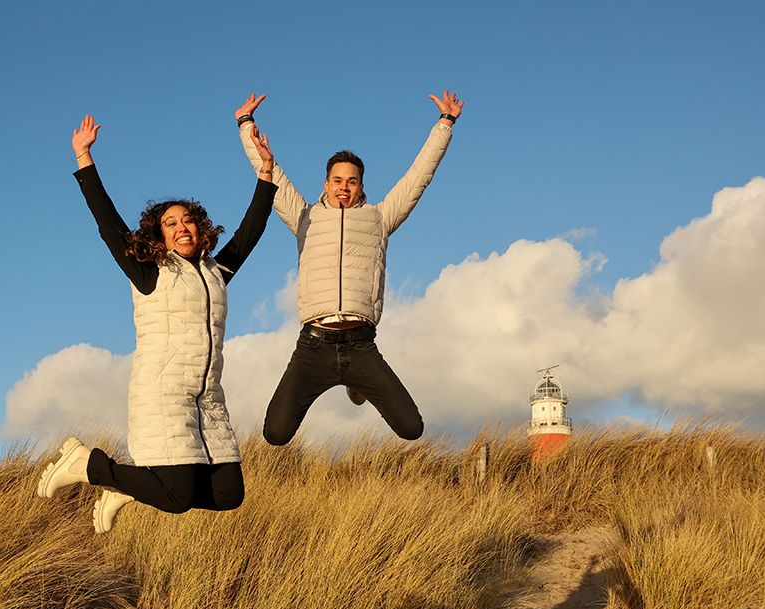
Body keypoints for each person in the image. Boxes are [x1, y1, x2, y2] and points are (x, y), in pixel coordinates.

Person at [37, 114, 277, 534]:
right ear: (159, 236)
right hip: (162, 393)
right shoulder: (149, 272)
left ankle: (128, 487)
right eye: (171, 223)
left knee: (229, 494)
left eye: (188, 221)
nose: (182, 227)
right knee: (177, 495)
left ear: (200, 230)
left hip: (208, 399)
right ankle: (87, 464)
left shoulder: (216, 271)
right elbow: (108, 224)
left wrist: (266, 174)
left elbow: (250, 232)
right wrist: (84, 158)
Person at [234, 90, 463, 445]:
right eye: (338, 180)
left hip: (360, 345)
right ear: (326, 183)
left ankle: (357, 383)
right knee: (275, 434)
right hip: (313, 346)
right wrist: (245, 124)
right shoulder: (304, 216)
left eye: (352, 181)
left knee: (411, 428)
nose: (344, 187)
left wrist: (444, 124)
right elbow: (271, 175)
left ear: (361, 186)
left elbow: (419, 176)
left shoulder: (380, 218)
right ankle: (348, 383)